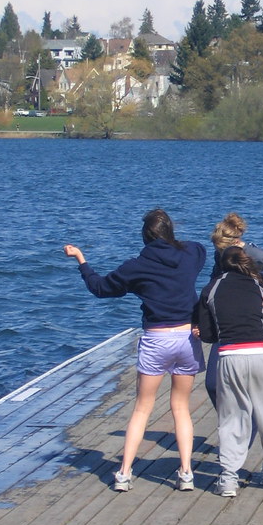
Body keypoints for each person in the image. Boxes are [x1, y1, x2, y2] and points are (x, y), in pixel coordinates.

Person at [63, 208, 206, 492]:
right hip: (186, 338)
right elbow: (199, 249)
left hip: (156, 339)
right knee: (181, 408)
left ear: (145, 236)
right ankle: (187, 473)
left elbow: (101, 288)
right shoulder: (191, 254)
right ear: (171, 232)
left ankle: (125, 473)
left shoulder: (136, 266)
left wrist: (81, 260)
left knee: (142, 408)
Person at [196, 246, 263, 496]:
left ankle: (229, 479)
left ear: (220, 265)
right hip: (262, 355)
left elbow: (208, 335)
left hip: (230, 356)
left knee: (233, 418)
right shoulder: (258, 284)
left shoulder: (212, 288)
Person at [204, 213, 263, 406]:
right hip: (224, 323)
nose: (219, 251)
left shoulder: (257, 256)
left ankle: (248, 424)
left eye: (221, 248)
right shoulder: (220, 255)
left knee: (251, 388)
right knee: (213, 384)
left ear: (236, 241)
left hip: (252, 323)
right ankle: (232, 421)